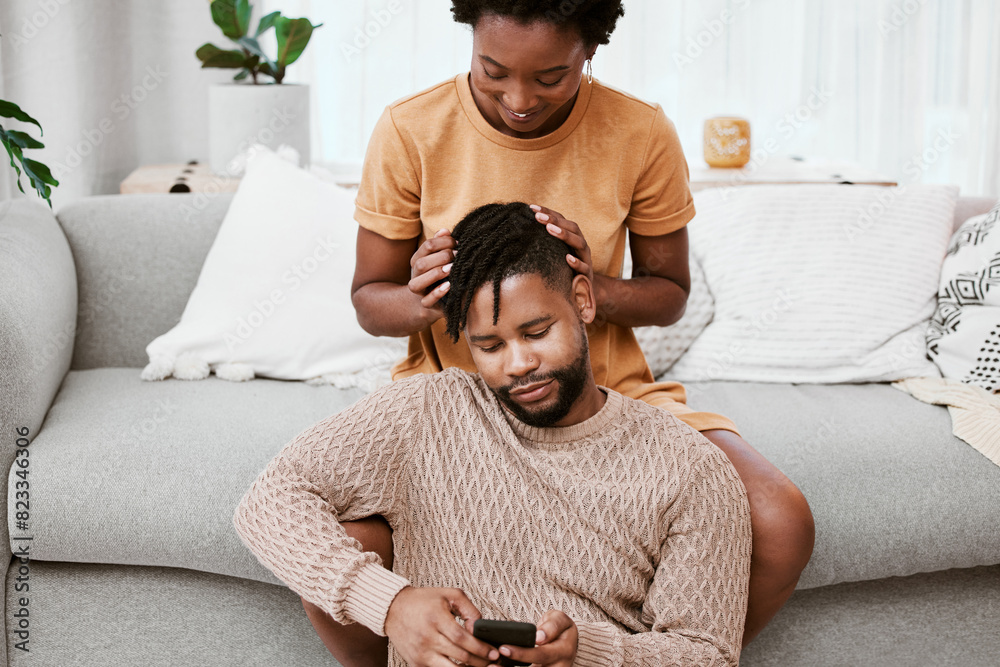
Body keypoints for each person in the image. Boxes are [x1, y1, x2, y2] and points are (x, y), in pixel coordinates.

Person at [348, 0, 813, 651]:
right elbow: (370, 299)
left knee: (780, 518)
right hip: (458, 397)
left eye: (550, 77)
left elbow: (669, 293)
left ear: (589, 52)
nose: (518, 99)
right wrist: (427, 300)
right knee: (346, 548)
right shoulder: (410, 128)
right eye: (493, 71)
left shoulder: (639, 131)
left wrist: (587, 280)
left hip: (605, 388)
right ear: (471, 43)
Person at [235, 203, 752, 667]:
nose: (520, 364)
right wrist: (389, 605)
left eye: (536, 332)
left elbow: (705, 653)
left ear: (582, 301)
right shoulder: (428, 411)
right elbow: (270, 498)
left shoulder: (690, 467)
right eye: (490, 345)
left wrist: (587, 654)